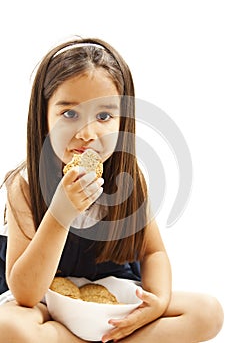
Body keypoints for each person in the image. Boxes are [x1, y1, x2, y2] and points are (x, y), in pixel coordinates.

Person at [0, 37, 223, 343]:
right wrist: (60, 214)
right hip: (46, 302)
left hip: (111, 293)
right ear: (44, 116)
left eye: (103, 116)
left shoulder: (128, 180)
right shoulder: (24, 186)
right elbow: (25, 294)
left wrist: (156, 302)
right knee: (9, 327)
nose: (87, 134)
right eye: (69, 114)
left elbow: (152, 251)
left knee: (207, 312)